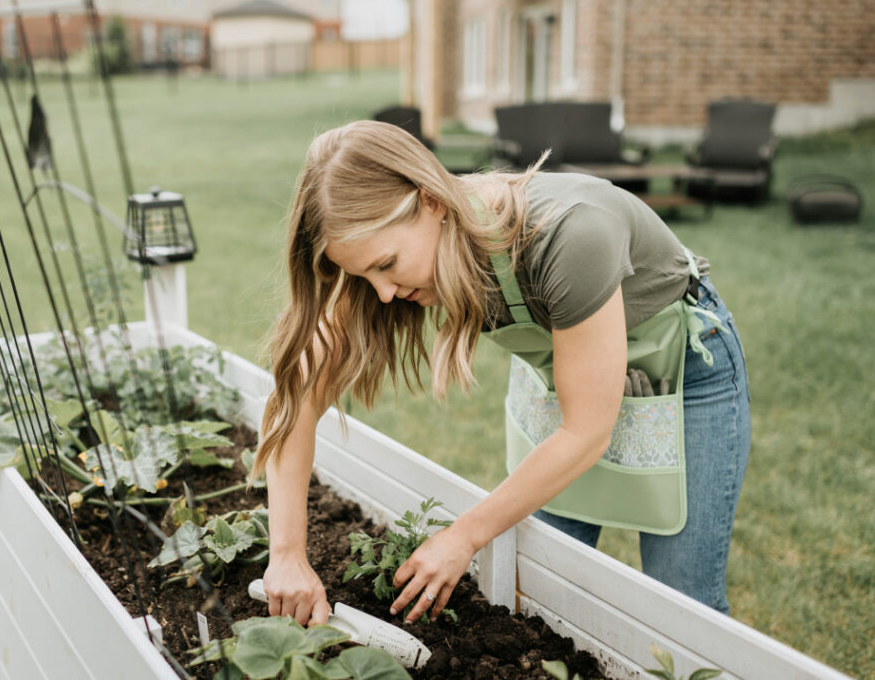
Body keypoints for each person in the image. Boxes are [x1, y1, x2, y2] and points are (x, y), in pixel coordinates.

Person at [251, 120, 750, 627]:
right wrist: (287, 553)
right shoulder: (389, 259)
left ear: (431, 202)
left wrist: (462, 536)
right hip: (566, 377)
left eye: (387, 264)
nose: (381, 293)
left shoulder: (571, 236)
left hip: (684, 376)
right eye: (363, 275)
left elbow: (585, 431)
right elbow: (296, 400)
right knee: (544, 597)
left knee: (685, 612)